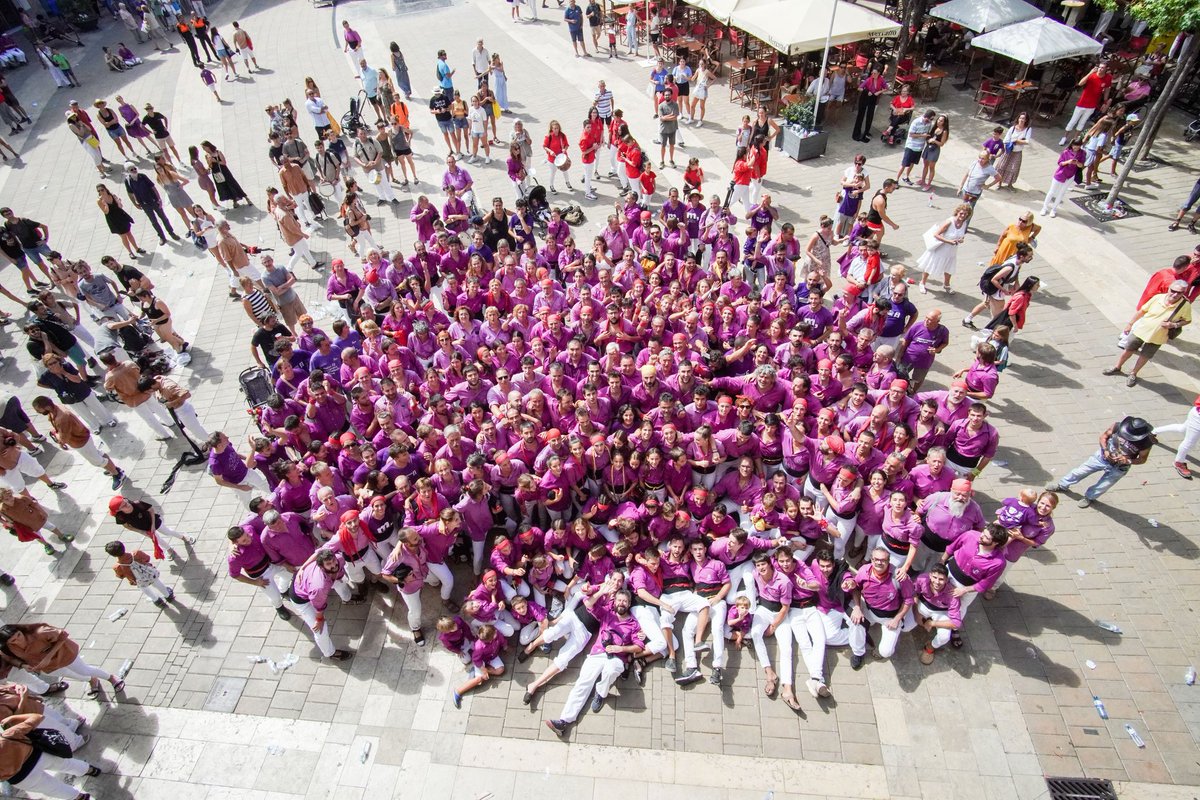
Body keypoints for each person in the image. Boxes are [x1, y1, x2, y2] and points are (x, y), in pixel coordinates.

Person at [544, 587, 644, 736]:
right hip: (598, 653)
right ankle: (564, 721)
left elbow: (639, 647)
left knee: (611, 670)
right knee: (583, 683)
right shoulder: (607, 614)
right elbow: (589, 604)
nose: (621, 603)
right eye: (619, 600)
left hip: (617, 658)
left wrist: (620, 649)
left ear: (629, 604)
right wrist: (601, 591)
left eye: (625, 601)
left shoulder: (633, 624)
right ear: (614, 602)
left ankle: (601, 693)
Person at [1050, 416, 1154, 508]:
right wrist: (1105, 450)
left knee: (1103, 485)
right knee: (1080, 471)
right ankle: (1062, 485)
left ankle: (1089, 497)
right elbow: (1103, 437)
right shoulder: (1117, 426)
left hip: (1120, 467)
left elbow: (1142, 459)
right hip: (1101, 457)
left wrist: (1128, 460)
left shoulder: (1146, 442)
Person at [1103, 279, 1192, 387]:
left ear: (1184, 293)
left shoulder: (1185, 305)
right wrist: (1130, 324)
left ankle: (1133, 373)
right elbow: (1142, 311)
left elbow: (1187, 320)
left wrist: (1174, 325)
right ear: (1169, 288)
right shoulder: (1158, 298)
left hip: (1158, 336)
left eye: (1180, 292)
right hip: (1141, 330)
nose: (1175, 294)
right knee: (1128, 350)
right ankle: (1117, 367)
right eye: (1173, 290)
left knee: (1144, 356)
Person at [30, 396, 125, 490]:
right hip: (82, 436)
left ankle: (117, 474)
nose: (38, 412)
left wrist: (56, 434)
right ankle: (112, 468)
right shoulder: (56, 408)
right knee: (98, 454)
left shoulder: (61, 418)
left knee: (97, 461)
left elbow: (63, 438)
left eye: (39, 410)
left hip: (80, 442)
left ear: (47, 407)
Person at [915, 203, 970, 294]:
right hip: (941, 249)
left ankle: (946, 285)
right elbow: (936, 234)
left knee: (949, 269)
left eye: (965, 214)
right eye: (961, 213)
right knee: (930, 266)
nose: (963, 216)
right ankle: (922, 283)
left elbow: (961, 235)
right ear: (957, 212)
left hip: (952, 251)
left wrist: (961, 239)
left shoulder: (964, 223)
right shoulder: (949, 222)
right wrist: (948, 241)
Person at [105, 540, 175, 608]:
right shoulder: (136, 553)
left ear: (113, 555)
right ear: (123, 547)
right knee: (157, 583)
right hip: (149, 574)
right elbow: (147, 558)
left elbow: (121, 576)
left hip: (138, 580)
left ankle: (156, 600)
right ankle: (168, 595)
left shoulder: (117, 567)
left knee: (144, 589)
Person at [123, 163, 178, 245]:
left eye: (135, 168)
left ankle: (171, 233)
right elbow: (130, 193)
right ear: (128, 171)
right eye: (131, 169)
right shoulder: (128, 181)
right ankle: (162, 237)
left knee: (163, 217)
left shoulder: (142, 176)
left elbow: (153, 187)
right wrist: (135, 203)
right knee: (154, 221)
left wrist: (159, 199)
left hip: (153, 201)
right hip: (144, 204)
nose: (134, 170)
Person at [1060, 62, 1112, 145]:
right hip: (1081, 103)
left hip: (1092, 105)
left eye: (1103, 68)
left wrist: (1105, 100)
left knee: (1082, 122)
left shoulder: (1108, 78)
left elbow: (1107, 89)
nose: (1100, 69)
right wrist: (1090, 73)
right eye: (1099, 67)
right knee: (1073, 121)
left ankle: (1075, 139)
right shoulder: (1092, 75)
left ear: (1106, 69)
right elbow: (1080, 83)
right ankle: (1064, 137)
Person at [1153, 394, 1200, 479]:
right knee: (1189, 443)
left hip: (1196, 413)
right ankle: (1178, 462)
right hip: (1198, 419)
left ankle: (1154, 431)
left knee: (1182, 429)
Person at [1039, 138, 1085, 218]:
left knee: (1061, 193)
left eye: (1078, 146)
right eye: (1075, 145)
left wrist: (1077, 163)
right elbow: (1060, 163)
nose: (1076, 148)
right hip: (1061, 174)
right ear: (1072, 144)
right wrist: (1068, 162)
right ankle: (1044, 207)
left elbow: (1081, 165)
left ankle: (1054, 209)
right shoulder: (1066, 152)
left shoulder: (1082, 153)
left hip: (1070, 175)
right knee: (1052, 192)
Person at [896, 109, 935, 185]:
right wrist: (922, 135)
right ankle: (896, 180)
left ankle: (906, 177)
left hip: (919, 147)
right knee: (904, 164)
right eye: (930, 119)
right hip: (911, 146)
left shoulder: (929, 123)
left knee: (912, 163)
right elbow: (911, 134)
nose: (931, 121)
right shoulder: (916, 122)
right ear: (926, 117)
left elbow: (927, 133)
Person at [852, 66, 887, 143]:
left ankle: (866, 132)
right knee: (861, 115)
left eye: (875, 73)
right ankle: (857, 133)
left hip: (873, 97)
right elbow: (859, 88)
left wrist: (879, 92)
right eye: (872, 73)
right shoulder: (869, 80)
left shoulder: (881, 80)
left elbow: (886, 88)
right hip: (865, 96)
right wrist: (866, 91)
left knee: (870, 115)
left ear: (878, 74)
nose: (873, 74)